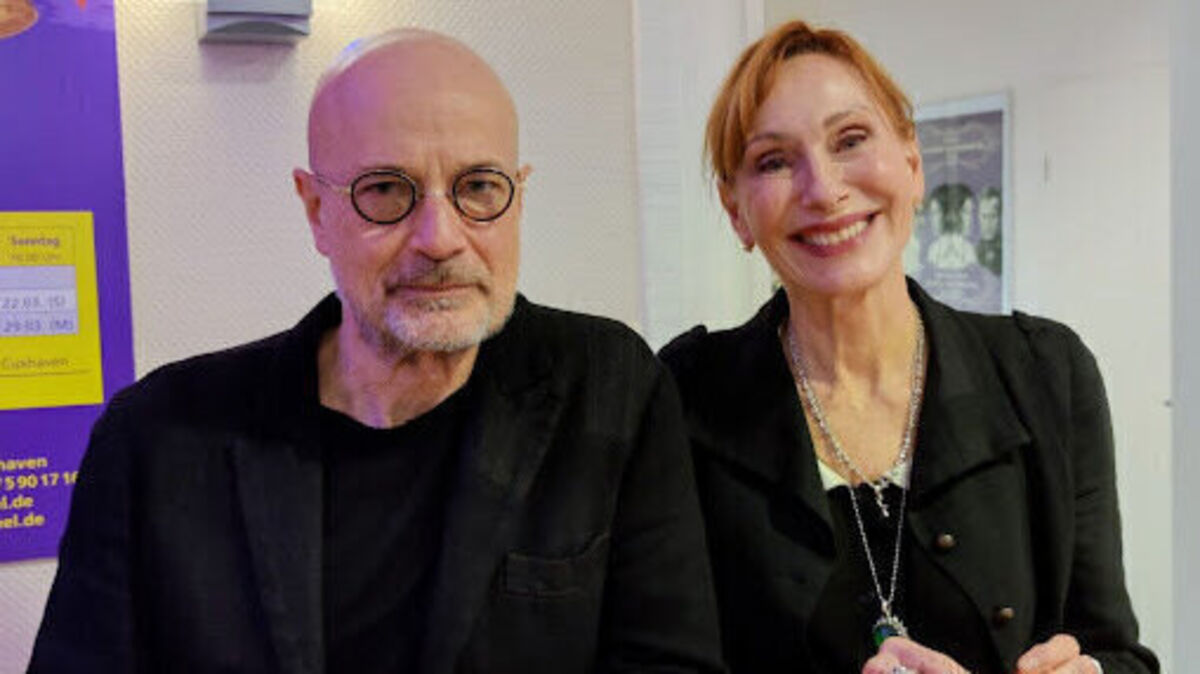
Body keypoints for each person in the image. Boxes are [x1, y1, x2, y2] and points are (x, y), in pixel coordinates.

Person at [29, 29, 722, 673]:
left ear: (518, 197)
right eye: (387, 190)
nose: (440, 237)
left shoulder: (608, 390)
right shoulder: (159, 438)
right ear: (314, 210)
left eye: (479, 187)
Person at [660, 20, 1157, 674]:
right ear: (735, 210)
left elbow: (1117, 651)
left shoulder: (1047, 372)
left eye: (851, 139)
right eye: (774, 161)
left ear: (913, 163)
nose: (824, 189)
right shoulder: (684, 396)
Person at [924, 183, 978, 271]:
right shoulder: (933, 251)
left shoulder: (970, 252)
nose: (971, 219)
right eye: (933, 213)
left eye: (969, 212)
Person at [976, 187, 1003, 276]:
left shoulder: (1005, 249)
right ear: (978, 216)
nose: (988, 223)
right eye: (984, 216)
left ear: (1000, 217)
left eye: (993, 216)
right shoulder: (973, 252)